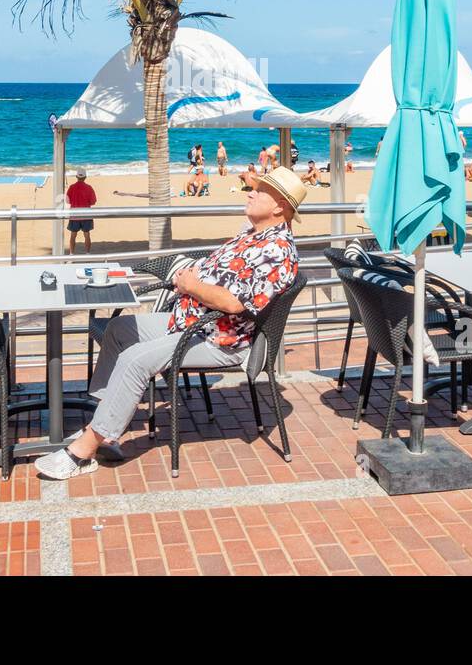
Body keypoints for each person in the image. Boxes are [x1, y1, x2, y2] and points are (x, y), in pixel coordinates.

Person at [34, 167, 305, 479]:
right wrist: (187, 276)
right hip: (192, 322)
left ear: (279, 206)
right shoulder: (252, 235)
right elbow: (214, 271)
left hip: (218, 339)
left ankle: (84, 450)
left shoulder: (277, 251)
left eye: (260, 191)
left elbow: (233, 303)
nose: (250, 192)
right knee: (120, 331)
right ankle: (102, 421)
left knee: (134, 360)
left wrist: (191, 286)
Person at [66, 168, 97, 255]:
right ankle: (87, 253)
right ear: (85, 177)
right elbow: (93, 202)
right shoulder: (89, 188)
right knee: (87, 234)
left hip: (74, 215)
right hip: (86, 215)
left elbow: (67, 201)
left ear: (76, 176)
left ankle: (71, 254)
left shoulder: (72, 187)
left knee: (73, 235)